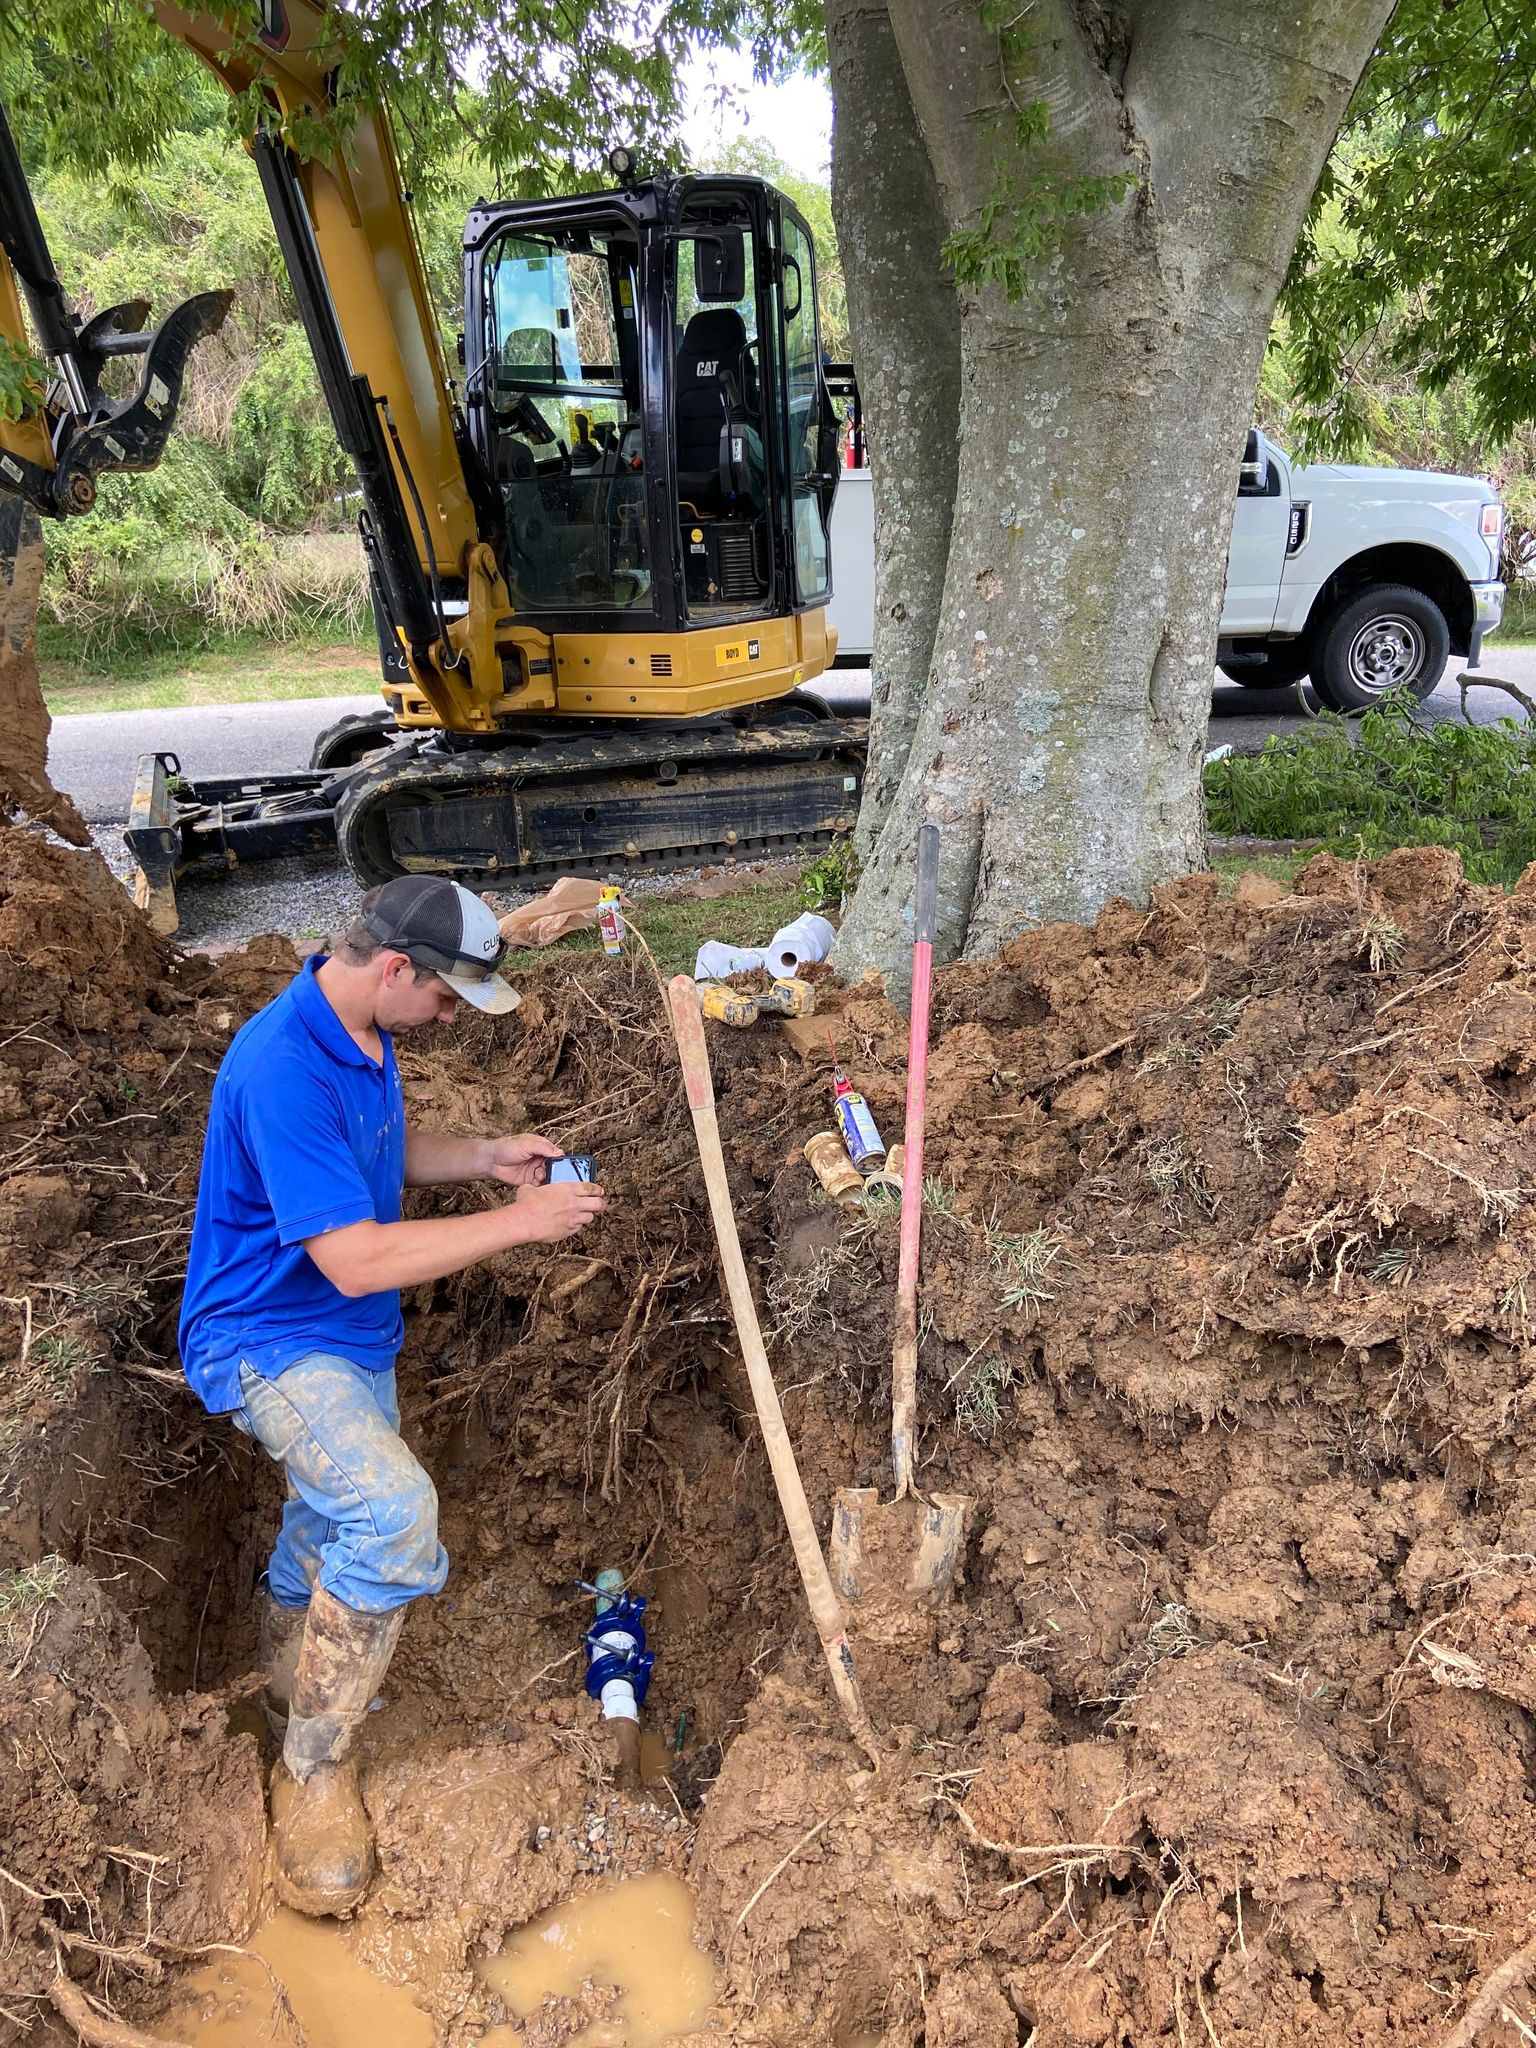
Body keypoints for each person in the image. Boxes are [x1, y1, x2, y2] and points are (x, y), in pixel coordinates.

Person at [178, 876, 605, 1917]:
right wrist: (519, 1225)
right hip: (268, 1337)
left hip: (340, 1331)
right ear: (395, 968)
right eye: (450, 998)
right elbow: (358, 1257)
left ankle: (284, 1666)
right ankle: (312, 1770)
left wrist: (484, 1162)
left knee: (331, 1510)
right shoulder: (282, 1063)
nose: (453, 1017)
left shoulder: (361, 1031)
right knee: (389, 1511)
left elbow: (374, 1156)